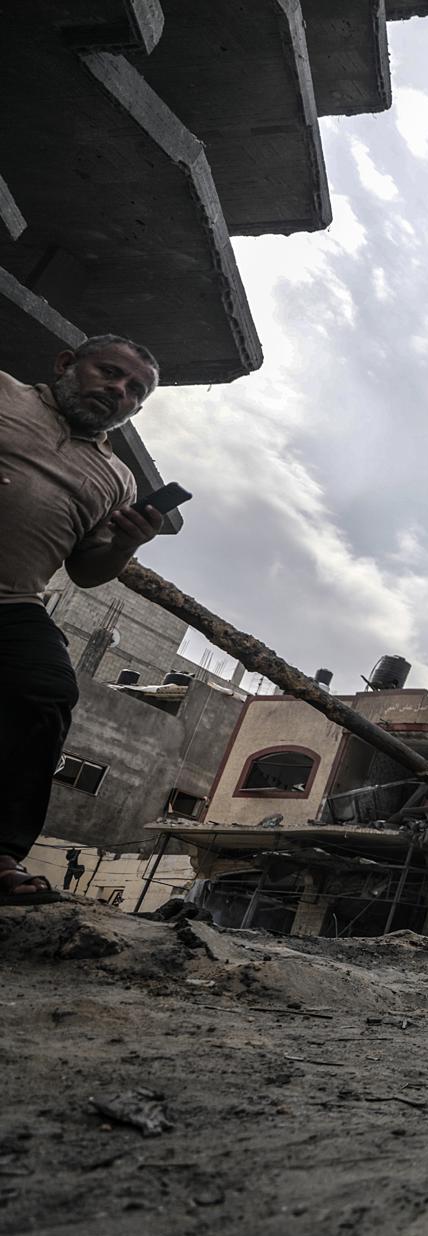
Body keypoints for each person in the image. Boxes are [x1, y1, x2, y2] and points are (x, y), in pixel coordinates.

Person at [0, 336, 166, 905]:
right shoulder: (5, 393)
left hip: (13, 602)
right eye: (110, 373)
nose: (119, 390)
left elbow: (88, 573)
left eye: (135, 390)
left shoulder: (116, 479)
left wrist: (123, 545)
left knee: (45, 689)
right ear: (67, 365)